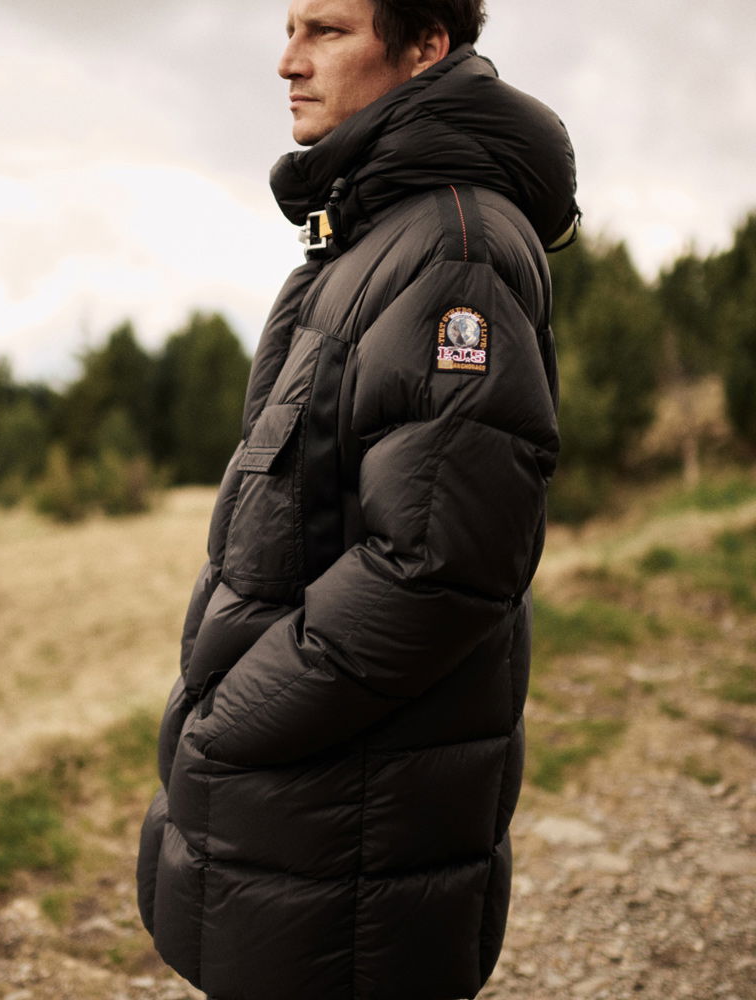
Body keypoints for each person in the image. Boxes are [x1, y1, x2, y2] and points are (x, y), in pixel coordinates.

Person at [136, 1, 579, 998]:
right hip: (318, 817)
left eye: (326, 31)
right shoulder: (373, 229)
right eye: (288, 27)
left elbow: (439, 561)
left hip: (351, 828)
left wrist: (231, 724)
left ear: (425, 45)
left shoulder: (450, 250)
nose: (286, 61)